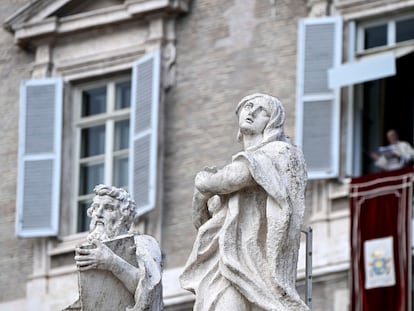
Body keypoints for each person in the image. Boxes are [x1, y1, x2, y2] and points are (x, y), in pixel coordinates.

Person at [180, 93, 310, 311]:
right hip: (226, 261)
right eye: (249, 106)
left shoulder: (279, 152)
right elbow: (202, 219)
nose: (252, 112)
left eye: (263, 111)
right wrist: (205, 190)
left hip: (252, 263)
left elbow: (231, 179)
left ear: (272, 123)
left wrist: (204, 182)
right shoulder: (246, 162)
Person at [74, 184, 163, 311]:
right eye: (95, 208)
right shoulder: (91, 253)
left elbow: (149, 289)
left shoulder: (143, 243)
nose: (98, 214)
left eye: (108, 208)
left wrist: (112, 262)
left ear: (124, 216)